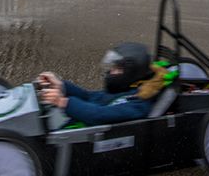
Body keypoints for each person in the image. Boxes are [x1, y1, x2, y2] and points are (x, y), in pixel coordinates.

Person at [36, 42, 167, 126]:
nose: (111, 71)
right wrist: (61, 86)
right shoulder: (128, 88)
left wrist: (62, 102)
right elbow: (89, 97)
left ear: (131, 73)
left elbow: (99, 115)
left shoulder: (138, 104)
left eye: (117, 68)